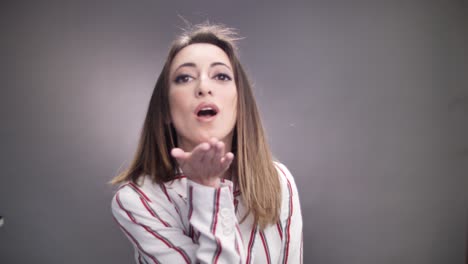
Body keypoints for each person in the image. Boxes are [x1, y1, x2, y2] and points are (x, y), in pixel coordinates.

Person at [110, 22, 303, 264]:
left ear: (240, 103)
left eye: (221, 76)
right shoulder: (138, 200)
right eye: (185, 78)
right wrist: (207, 190)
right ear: (166, 110)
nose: (203, 87)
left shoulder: (279, 181)